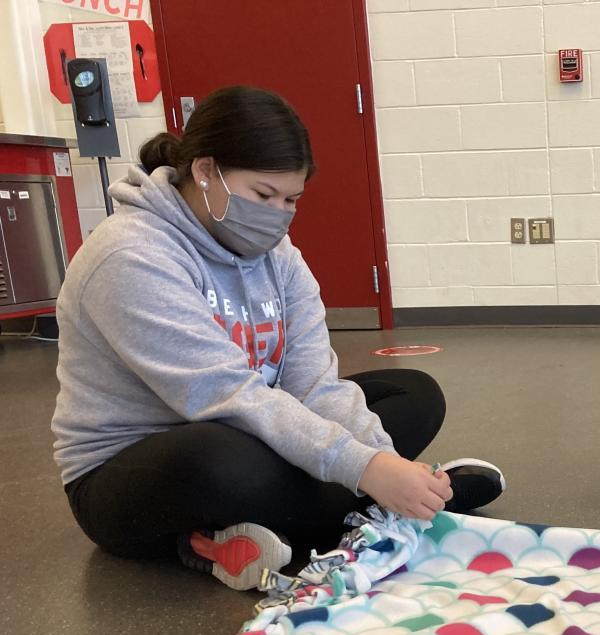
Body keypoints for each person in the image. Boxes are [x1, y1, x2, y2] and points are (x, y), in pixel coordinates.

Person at [53, 86, 504, 589]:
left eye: (291, 199)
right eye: (263, 195)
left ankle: (302, 518)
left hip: (252, 426)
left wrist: (383, 458)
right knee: (222, 461)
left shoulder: (278, 254)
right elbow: (226, 395)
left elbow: (312, 385)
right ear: (205, 171)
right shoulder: (130, 256)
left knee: (413, 394)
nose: (278, 213)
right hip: (136, 470)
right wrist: (367, 470)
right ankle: (387, 505)